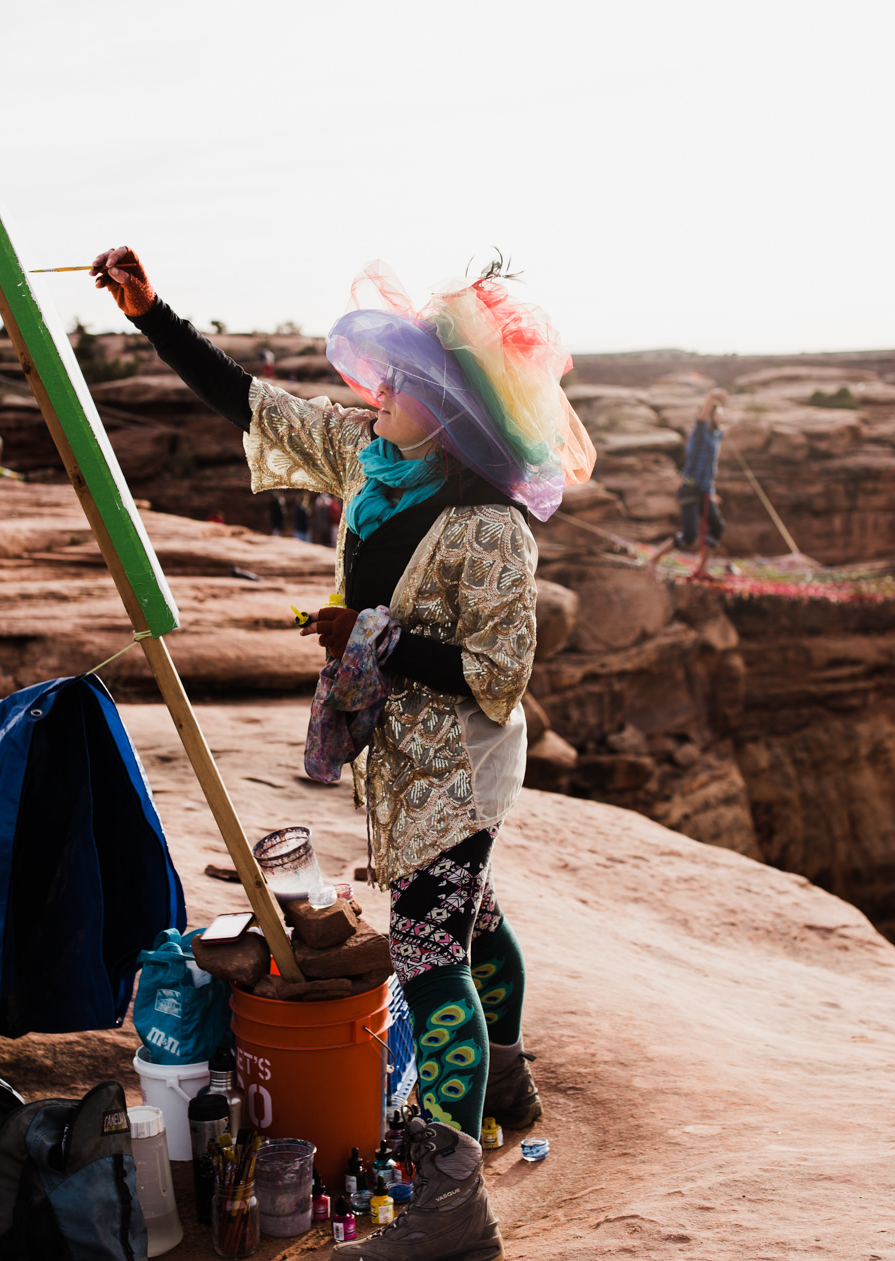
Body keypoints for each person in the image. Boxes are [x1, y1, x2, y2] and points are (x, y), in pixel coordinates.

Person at [92, 245, 594, 1261]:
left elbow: (498, 671)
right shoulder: (374, 467)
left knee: (425, 956)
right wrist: (153, 316)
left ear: (449, 416)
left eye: (403, 386)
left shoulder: (489, 528)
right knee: (473, 919)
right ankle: (501, 1074)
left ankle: (447, 1192)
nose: (377, 394)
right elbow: (255, 404)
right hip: (401, 765)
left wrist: (365, 638)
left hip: (455, 768)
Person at [669, 388, 726, 573]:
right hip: (690, 489)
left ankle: (702, 569)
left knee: (717, 526)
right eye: (718, 413)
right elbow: (701, 418)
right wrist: (711, 397)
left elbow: (722, 433)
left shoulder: (714, 436)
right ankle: (653, 560)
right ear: (710, 415)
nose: (722, 416)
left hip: (705, 490)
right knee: (690, 536)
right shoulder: (700, 433)